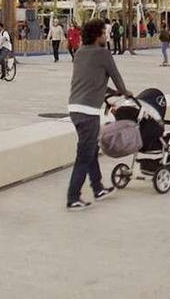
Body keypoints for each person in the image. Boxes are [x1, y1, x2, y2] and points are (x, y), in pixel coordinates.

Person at [66, 19, 131, 210]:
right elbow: (116, 76)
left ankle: (98, 188)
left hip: (75, 109)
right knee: (84, 156)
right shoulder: (103, 53)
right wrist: (125, 92)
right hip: (88, 112)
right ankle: (73, 198)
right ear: (97, 35)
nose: (107, 36)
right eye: (104, 33)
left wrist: (112, 92)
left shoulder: (79, 53)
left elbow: (92, 82)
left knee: (91, 149)